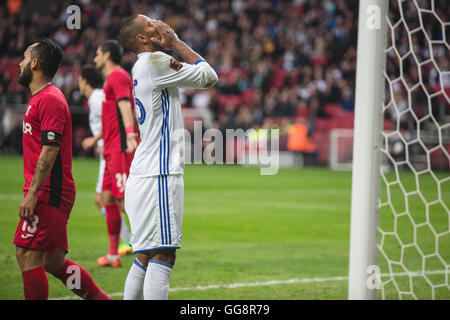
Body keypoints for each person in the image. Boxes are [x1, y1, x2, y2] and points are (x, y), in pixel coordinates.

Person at [118, 16, 218, 300]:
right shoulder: (155, 61)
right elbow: (209, 76)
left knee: (145, 256)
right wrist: (176, 43)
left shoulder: (141, 66)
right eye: (149, 23)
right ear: (141, 39)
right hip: (158, 175)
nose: (157, 22)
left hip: (144, 172)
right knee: (163, 255)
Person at [13, 38, 110, 300]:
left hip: (48, 191)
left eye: (24, 58)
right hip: (48, 190)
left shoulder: (50, 100)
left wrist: (32, 193)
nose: (19, 63)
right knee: (53, 261)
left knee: (27, 255)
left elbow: (50, 149)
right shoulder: (40, 98)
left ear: (34, 63)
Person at [78, 64, 133, 256]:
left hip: (113, 152)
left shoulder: (96, 99)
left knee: (113, 201)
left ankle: (130, 240)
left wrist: (95, 140)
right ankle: (126, 241)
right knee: (106, 200)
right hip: (107, 152)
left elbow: (113, 120)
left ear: (84, 81)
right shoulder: (95, 98)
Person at [94, 40, 139, 267]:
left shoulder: (118, 76)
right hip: (111, 149)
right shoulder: (110, 80)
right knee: (106, 199)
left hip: (121, 148)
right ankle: (113, 255)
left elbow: (125, 105)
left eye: (97, 54)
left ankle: (147, 249)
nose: (94, 59)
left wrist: (130, 134)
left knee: (126, 203)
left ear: (108, 55)